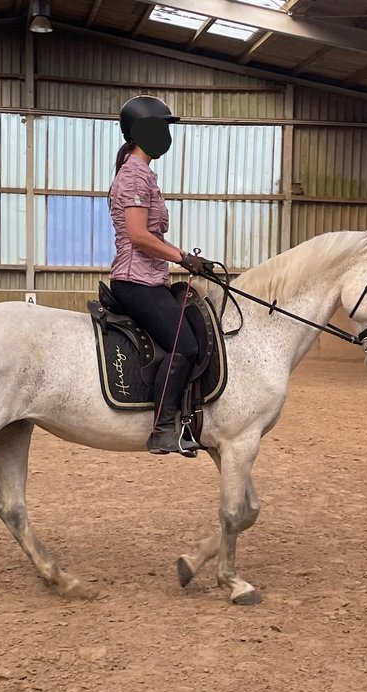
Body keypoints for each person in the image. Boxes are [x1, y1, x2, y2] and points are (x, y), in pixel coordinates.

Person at [108, 95, 210, 457]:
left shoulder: (144, 174)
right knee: (185, 345)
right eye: (161, 128)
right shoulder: (133, 175)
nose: (166, 136)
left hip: (152, 279)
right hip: (135, 281)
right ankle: (162, 428)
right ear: (141, 132)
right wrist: (182, 258)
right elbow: (138, 236)